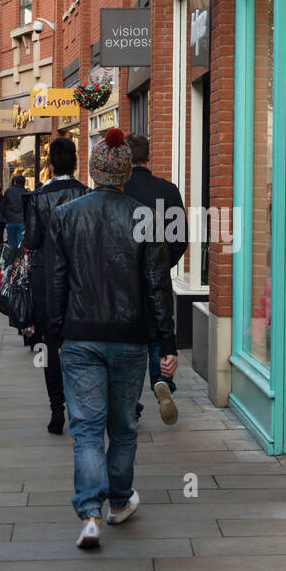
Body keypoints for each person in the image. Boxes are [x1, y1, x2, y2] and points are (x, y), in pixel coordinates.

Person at [46, 128, 178, 550]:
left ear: (96, 170)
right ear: (123, 175)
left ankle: (89, 515)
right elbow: (158, 287)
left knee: (85, 429)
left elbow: (56, 282)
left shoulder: (66, 214)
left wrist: (54, 335)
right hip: (129, 337)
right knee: (123, 425)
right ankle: (119, 500)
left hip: (81, 334)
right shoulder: (144, 218)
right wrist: (167, 344)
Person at [23, 136, 89, 434]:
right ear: (75, 162)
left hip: (47, 276)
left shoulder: (38, 197)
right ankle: (80, 404)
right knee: (80, 341)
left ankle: (56, 410)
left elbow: (33, 241)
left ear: (50, 165)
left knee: (50, 344)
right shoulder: (86, 194)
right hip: (80, 276)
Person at [123, 134, 188, 426]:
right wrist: (161, 264)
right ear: (149, 157)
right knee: (156, 329)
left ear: (126, 158)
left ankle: (131, 401)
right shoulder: (168, 190)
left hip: (122, 280)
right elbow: (180, 239)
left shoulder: (117, 190)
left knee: (129, 341)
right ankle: (161, 380)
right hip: (157, 276)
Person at [2, 174, 29, 259]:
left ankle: (11, 261)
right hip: (21, 221)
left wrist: (6, 217)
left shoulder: (9, 191)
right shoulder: (26, 193)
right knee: (20, 243)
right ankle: (18, 261)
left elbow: (3, 205)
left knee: (11, 244)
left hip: (11, 220)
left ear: (14, 182)